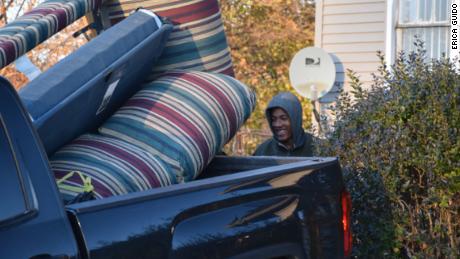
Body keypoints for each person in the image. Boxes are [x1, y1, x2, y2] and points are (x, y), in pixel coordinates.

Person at [253, 92, 314, 156]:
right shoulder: (263, 151)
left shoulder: (317, 147)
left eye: (283, 118)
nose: (277, 124)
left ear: (295, 119)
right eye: (273, 119)